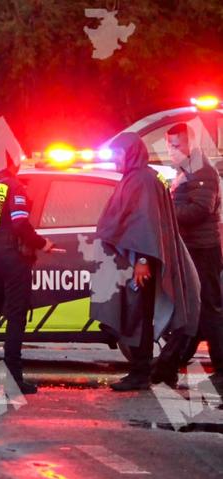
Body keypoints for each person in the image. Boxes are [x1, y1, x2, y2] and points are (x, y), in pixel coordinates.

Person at [90, 132, 199, 391]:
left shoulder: (142, 180)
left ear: (131, 153)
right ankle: (141, 370)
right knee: (137, 315)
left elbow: (144, 223)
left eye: (119, 154)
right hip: (137, 259)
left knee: (139, 316)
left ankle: (140, 372)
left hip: (142, 261)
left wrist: (141, 260)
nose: (116, 159)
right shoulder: (137, 178)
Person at [0, 145, 54, 395]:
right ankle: (13, 379)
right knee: (16, 316)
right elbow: (20, 224)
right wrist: (42, 243)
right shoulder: (14, 186)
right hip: (11, 255)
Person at [150, 124, 223, 391]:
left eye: (177, 145)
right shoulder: (186, 172)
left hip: (203, 250)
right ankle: (172, 364)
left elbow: (199, 210)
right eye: (169, 145)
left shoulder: (202, 172)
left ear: (190, 145)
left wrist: (168, 211)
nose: (171, 150)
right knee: (197, 309)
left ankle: (214, 366)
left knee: (209, 309)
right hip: (193, 248)